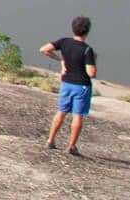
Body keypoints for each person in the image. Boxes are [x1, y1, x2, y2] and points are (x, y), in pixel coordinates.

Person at [42, 16, 98, 155]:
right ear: (87, 31)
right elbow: (91, 72)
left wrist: (61, 60)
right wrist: (94, 60)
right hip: (81, 86)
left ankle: (50, 140)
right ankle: (71, 146)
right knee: (77, 116)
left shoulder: (64, 42)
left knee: (61, 112)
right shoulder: (87, 50)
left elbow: (44, 49)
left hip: (66, 83)